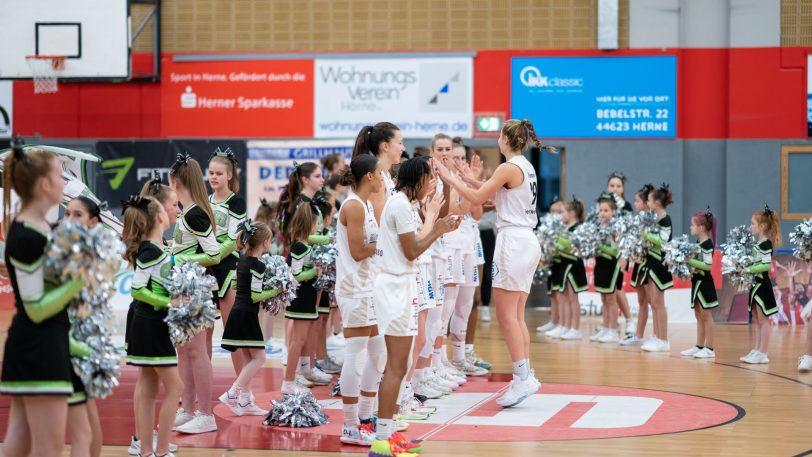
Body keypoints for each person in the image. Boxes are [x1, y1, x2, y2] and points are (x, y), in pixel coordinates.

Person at [434, 118, 550, 408]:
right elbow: (494, 192)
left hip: (513, 242)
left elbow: (476, 197)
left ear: (505, 139)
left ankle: (522, 377)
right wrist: (467, 176)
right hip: (527, 240)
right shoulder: (525, 166)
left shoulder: (507, 166)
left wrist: (450, 178)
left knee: (507, 316)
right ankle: (526, 373)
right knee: (517, 315)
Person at [0, 144, 86, 457]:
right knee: (47, 448)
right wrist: (79, 279)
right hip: (38, 347)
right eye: (59, 175)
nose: (65, 182)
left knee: (19, 443)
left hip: (44, 342)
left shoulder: (40, 229)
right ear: (44, 185)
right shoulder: (25, 235)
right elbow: (36, 308)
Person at [369, 157, 458, 456]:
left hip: (401, 285)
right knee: (395, 366)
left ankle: (390, 432)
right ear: (417, 179)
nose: (431, 183)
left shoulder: (402, 205)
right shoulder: (400, 206)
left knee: (402, 363)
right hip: (394, 286)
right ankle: (381, 440)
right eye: (429, 177)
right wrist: (439, 229)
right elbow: (412, 251)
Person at [169, 154, 231, 434]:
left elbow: (214, 253)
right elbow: (192, 249)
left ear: (175, 181)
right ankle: (189, 408)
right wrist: (174, 252)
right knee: (184, 352)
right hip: (185, 289)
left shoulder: (195, 213)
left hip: (197, 289)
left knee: (197, 354)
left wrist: (177, 259)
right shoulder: (188, 212)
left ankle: (206, 414)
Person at [123, 195, 184, 457]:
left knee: (149, 388)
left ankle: (147, 451)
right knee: (175, 388)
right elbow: (137, 289)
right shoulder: (150, 250)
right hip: (150, 323)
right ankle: (159, 451)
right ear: (159, 217)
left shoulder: (157, 248)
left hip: (149, 322)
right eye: (166, 207)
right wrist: (168, 302)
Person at [335, 154, 385, 446]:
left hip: (368, 287)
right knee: (356, 356)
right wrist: (386, 243)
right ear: (369, 176)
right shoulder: (353, 205)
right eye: (380, 173)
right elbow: (357, 251)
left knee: (379, 352)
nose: (382, 178)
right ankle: (350, 426)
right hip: (354, 289)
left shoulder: (364, 204)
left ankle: (366, 417)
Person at [219, 221, 279, 417]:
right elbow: (255, 296)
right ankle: (233, 393)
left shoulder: (241, 261)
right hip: (246, 314)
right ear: (266, 242)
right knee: (259, 357)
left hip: (238, 311)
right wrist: (277, 290)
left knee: (247, 357)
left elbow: (236, 285)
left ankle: (245, 402)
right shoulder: (258, 265)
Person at [63, 197, 106, 457]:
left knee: (82, 419)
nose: (69, 220)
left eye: (77, 215)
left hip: (79, 340)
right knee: (86, 414)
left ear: (93, 222)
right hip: (75, 338)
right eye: (66, 213)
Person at [207, 147, 247, 377]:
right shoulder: (204, 201)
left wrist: (212, 254)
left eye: (219, 173)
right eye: (211, 173)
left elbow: (234, 240)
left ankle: (242, 390)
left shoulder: (236, 203)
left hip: (228, 268)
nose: (214, 177)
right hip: (205, 270)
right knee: (204, 331)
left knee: (232, 331)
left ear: (229, 175)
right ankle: (202, 385)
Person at [740, 206, 781, 364]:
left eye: (753, 224)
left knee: (763, 320)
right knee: (757, 319)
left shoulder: (766, 244)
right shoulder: (758, 244)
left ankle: (763, 353)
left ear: (762, 226)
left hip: (762, 285)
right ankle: (757, 350)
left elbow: (764, 266)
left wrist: (747, 268)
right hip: (755, 285)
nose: (750, 226)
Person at [680, 208, 719, 359]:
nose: (690, 227)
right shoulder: (698, 243)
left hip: (705, 284)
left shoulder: (707, 244)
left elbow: (708, 265)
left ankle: (709, 348)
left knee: (706, 315)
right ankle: (699, 346)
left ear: (701, 227)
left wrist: (689, 260)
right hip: (696, 282)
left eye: (692, 225)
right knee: (698, 314)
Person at [640, 184, 674, 353]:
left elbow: (663, 241)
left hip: (660, 264)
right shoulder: (655, 219)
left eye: (650, 199)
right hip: (651, 262)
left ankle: (664, 339)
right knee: (653, 301)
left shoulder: (665, 220)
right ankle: (655, 335)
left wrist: (645, 234)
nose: (647, 202)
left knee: (659, 303)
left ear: (657, 202)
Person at [620, 184, 655, 346]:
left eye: (637, 201)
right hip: (639, 264)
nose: (635, 204)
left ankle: (657, 336)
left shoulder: (652, 220)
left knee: (653, 301)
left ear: (646, 203)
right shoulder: (638, 219)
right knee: (642, 301)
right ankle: (639, 335)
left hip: (648, 264)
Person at [549, 198, 588, 341]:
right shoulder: (564, 228)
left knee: (572, 297)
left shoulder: (578, 228)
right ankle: (564, 325)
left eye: (562, 212)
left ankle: (575, 328)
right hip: (564, 264)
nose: (560, 215)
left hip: (574, 265)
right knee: (563, 296)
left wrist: (556, 239)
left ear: (572, 213)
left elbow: (572, 245)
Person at [591, 193, 622, 344]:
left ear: (613, 212)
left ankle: (613, 330)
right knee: (603, 298)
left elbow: (616, 251)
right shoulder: (598, 227)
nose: (602, 213)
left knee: (611, 299)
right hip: (600, 263)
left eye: (606, 210)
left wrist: (600, 246)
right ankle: (605, 327)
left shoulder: (615, 227)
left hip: (611, 264)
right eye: (601, 210)